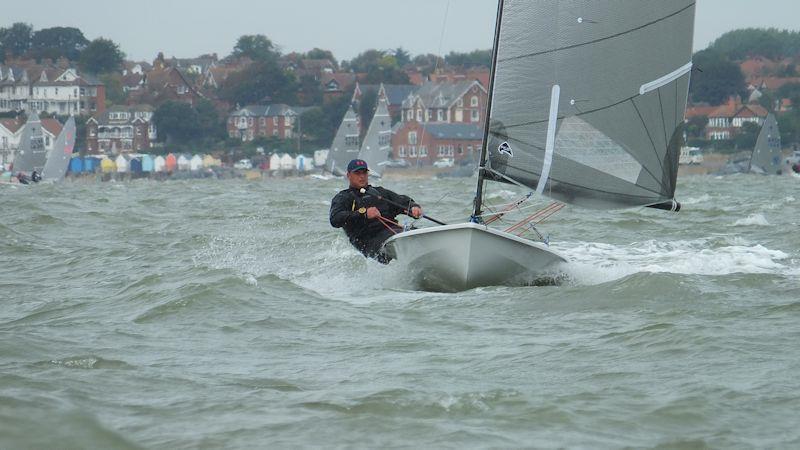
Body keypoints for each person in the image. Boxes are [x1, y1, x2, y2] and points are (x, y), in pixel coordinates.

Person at [329, 159, 423, 263]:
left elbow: (403, 201)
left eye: (364, 173)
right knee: (400, 239)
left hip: (394, 234)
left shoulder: (380, 192)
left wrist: (414, 207)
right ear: (348, 175)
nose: (362, 176)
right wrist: (363, 213)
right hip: (369, 242)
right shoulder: (343, 197)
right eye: (357, 173)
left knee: (417, 233)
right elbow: (335, 219)